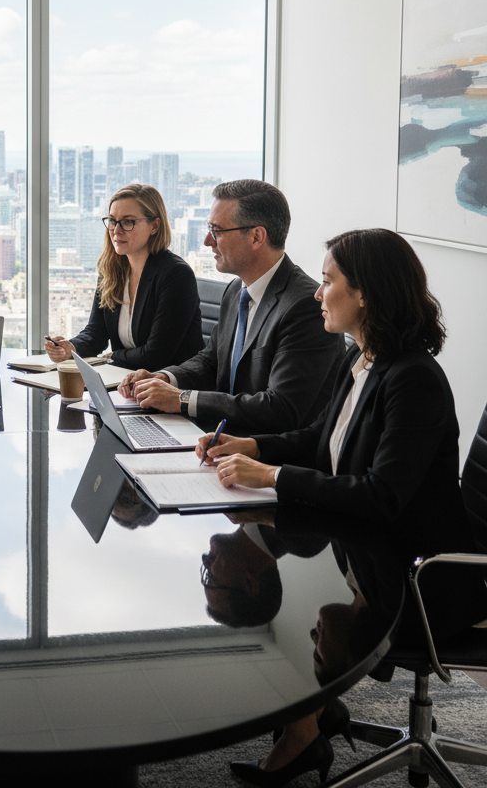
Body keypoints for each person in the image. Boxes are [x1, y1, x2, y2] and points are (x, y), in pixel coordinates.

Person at [197, 228, 486, 785]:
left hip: (420, 579)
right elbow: (319, 439)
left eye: (328, 281)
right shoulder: (361, 358)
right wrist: (252, 447)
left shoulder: (415, 380)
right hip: (366, 553)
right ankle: (311, 719)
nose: (316, 292)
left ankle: (306, 727)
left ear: (365, 297)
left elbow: (382, 494)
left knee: (284, 615)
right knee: (290, 594)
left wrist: (273, 477)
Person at [118, 179, 344, 435]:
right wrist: (165, 378)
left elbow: (280, 409)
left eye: (216, 231)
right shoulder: (237, 289)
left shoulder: (304, 306)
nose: (206, 241)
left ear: (257, 237)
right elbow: (211, 360)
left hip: (269, 457)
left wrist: (181, 399)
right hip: (222, 439)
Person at [42, 183, 203, 370]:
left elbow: (156, 354)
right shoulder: (111, 269)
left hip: (170, 386)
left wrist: (110, 358)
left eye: (128, 222)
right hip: (125, 381)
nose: (116, 230)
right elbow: (96, 333)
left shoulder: (176, 275)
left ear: (155, 226)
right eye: (112, 221)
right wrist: (70, 348)